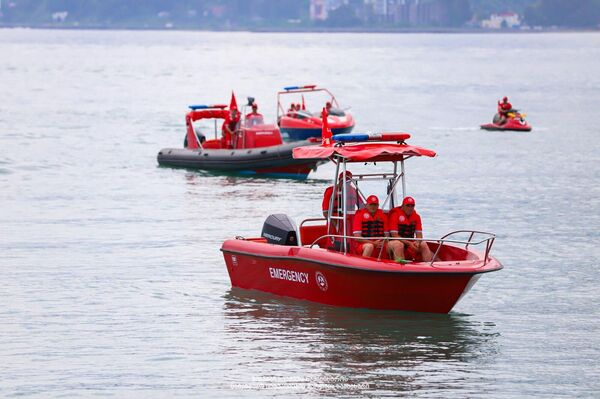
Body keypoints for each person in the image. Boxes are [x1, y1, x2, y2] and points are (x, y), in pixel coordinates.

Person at [388, 196, 433, 264]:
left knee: (423, 243)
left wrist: (417, 243)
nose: (410, 208)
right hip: (393, 243)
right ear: (403, 206)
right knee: (399, 244)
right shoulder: (395, 215)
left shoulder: (416, 217)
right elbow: (394, 235)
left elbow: (419, 235)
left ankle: (429, 265)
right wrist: (409, 243)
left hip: (410, 241)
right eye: (408, 206)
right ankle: (400, 267)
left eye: (412, 206)